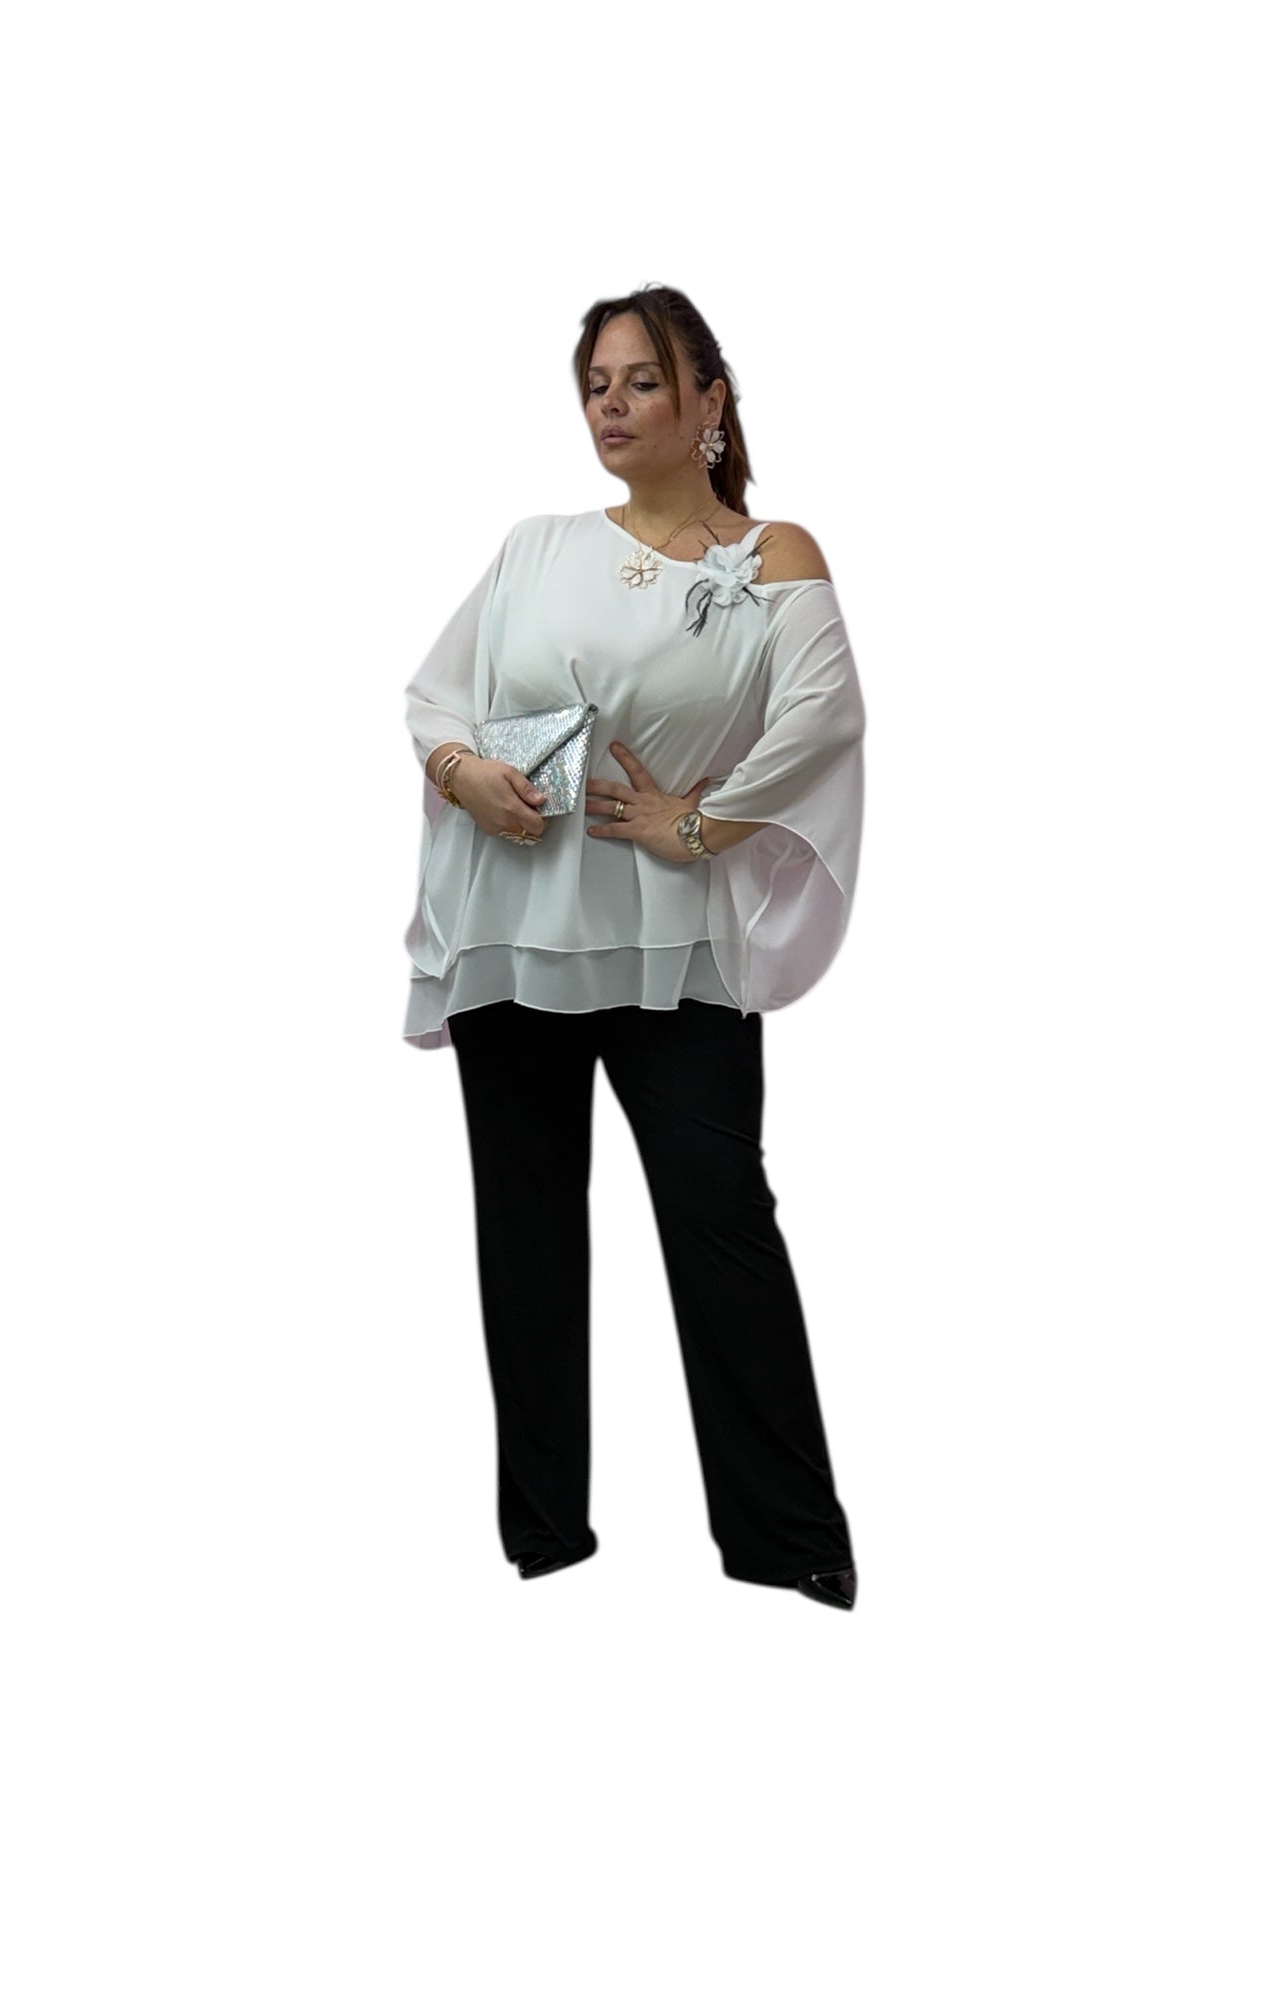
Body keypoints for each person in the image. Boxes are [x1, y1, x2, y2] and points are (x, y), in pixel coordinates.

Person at [401, 284, 864, 1611]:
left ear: (711, 400)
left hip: (675, 948)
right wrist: (463, 772)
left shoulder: (771, 552)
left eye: (643, 380)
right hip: (514, 931)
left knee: (721, 1222)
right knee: (526, 1235)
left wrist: (700, 825)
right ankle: (546, 1537)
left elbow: (826, 715)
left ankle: (790, 1538)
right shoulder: (535, 546)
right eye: (596, 383)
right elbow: (436, 693)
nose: (612, 404)